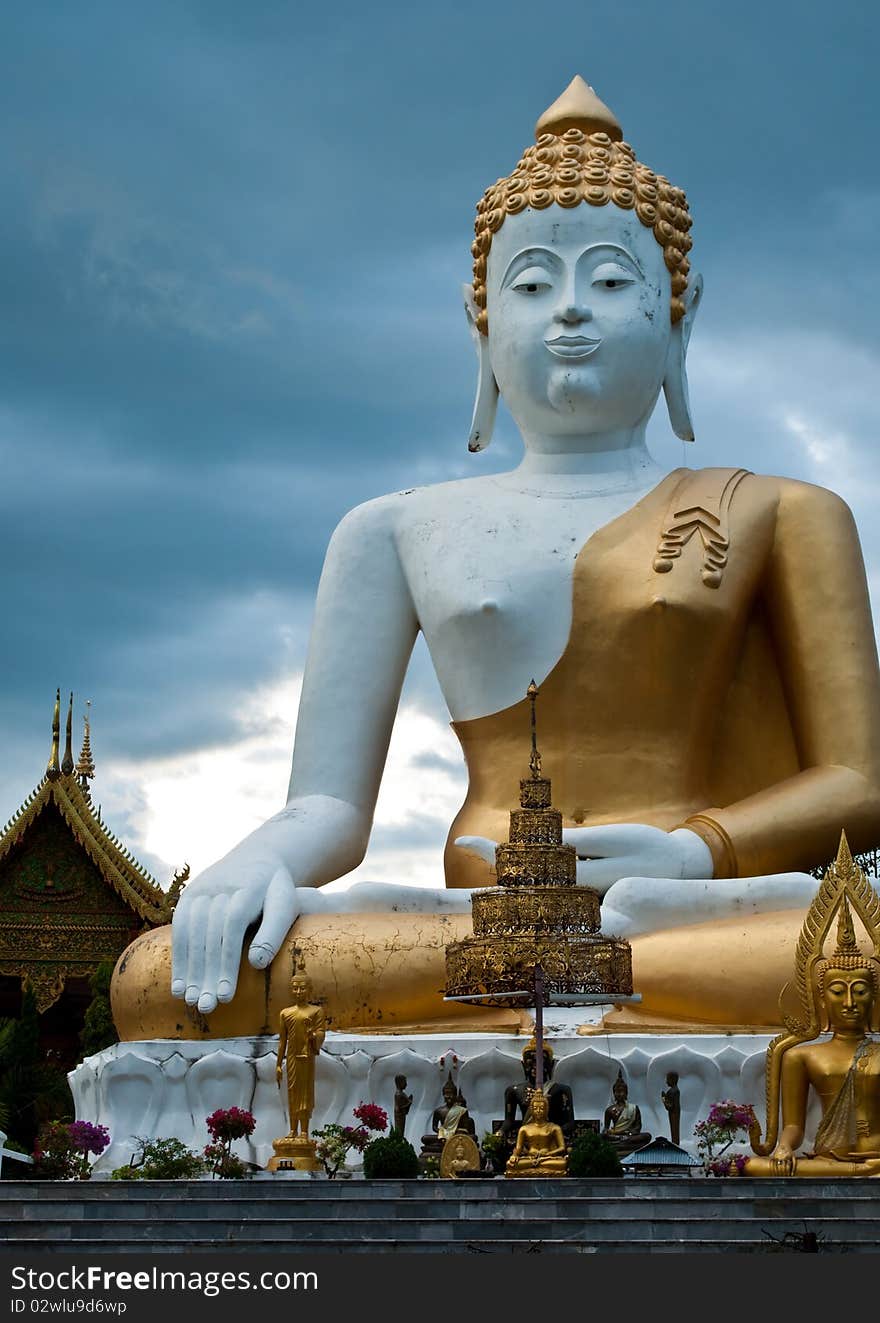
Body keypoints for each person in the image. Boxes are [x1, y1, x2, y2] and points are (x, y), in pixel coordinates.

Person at [112, 75, 880, 1038]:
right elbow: (327, 805)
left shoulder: (781, 511)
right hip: (474, 925)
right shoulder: (391, 527)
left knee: (856, 957)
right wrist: (253, 864)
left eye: (608, 280)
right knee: (164, 976)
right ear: (481, 328)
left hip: (690, 910)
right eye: (529, 285)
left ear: (678, 317)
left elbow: (862, 784)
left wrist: (697, 853)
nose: (568, 312)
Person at [744, 844, 880, 1177]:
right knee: (753, 1166)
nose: (849, 1002)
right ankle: (858, 1172)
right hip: (829, 1160)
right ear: (820, 999)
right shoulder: (801, 1057)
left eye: (860, 991)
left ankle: (864, 1170)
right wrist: (783, 1147)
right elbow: (793, 1127)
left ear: (874, 999)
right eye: (838, 991)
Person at [275, 972, 325, 1140]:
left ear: (309, 990)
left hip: (306, 1058)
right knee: (292, 1093)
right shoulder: (285, 1013)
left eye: (302, 988)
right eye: (295, 988)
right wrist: (278, 1064)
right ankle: (292, 1130)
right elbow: (282, 1041)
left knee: (305, 1094)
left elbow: (321, 1033)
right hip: (291, 1058)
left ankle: (304, 1131)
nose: (298, 992)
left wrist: (312, 1035)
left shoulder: (316, 1011)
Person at [505, 1089, 567, 1176]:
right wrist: (514, 1156)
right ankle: (537, 1164)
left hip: (547, 1158)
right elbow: (518, 1149)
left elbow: (562, 1148)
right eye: (535, 1108)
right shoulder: (524, 1129)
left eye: (541, 1108)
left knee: (562, 1164)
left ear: (546, 1110)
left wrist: (548, 1154)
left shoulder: (554, 1127)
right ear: (531, 1110)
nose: (538, 1111)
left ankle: (537, 1164)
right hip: (530, 1157)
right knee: (510, 1164)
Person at [602, 1070, 651, 1154]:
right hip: (615, 1136)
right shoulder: (609, 1110)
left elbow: (638, 1127)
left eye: (621, 1091)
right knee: (602, 1136)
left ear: (626, 1093)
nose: (619, 1094)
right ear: (613, 1093)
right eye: (617, 1092)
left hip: (628, 1136)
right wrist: (607, 1132)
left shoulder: (634, 1108)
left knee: (647, 1136)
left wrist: (628, 1133)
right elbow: (606, 1128)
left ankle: (621, 1140)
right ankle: (619, 1140)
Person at [661, 1071, 681, 1146]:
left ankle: (675, 1144)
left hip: (673, 1113)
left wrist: (663, 1098)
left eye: (668, 1079)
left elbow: (669, 1106)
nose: (666, 1082)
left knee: (674, 1129)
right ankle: (675, 1143)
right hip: (676, 1112)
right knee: (675, 1130)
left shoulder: (672, 1091)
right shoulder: (675, 1090)